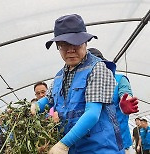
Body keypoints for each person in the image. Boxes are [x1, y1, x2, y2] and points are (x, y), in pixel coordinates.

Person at [31, 14, 125, 153]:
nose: (70, 50)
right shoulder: (59, 76)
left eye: (75, 43)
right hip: (75, 149)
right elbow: (49, 99)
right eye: (63, 45)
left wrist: (63, 144)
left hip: (99, 148)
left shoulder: (97, 68)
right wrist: (35, 107)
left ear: (86, 43)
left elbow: (92, 113)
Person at [88, 48, 139, 153]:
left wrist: (127, 100)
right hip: (94, 144)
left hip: (119, 142)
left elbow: (125, 93)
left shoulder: (119, 79)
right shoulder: (85, 84)